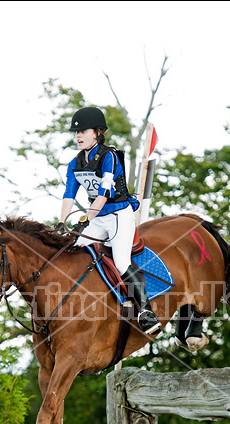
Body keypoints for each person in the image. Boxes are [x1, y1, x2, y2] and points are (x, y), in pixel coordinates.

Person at [58, 106, 161, 336]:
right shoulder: (75, 163)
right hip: (97, 218)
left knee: (122, 262)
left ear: (97, 132)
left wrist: (85, 220)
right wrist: (62, 223)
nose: (78, 136)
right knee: (71, 253)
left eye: (83, 131)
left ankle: (146, 311)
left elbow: (103, 195)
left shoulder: (109, 157)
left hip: (118, 216)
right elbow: (68, 195)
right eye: (76, 133)